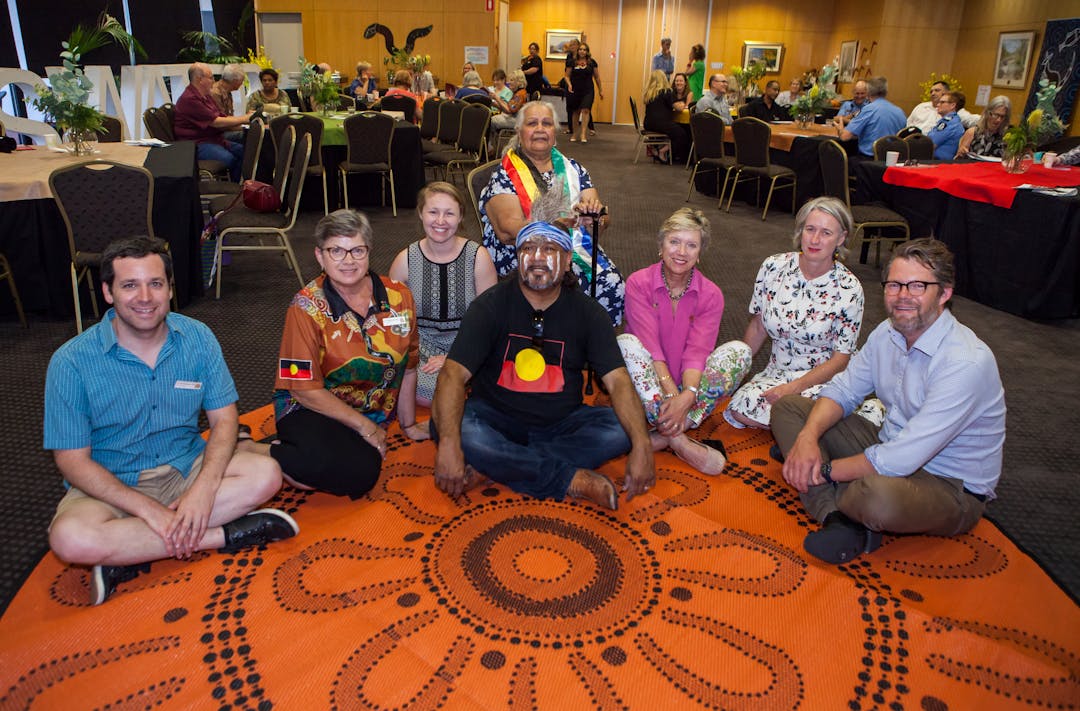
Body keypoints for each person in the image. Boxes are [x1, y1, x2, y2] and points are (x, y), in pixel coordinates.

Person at [44, 237, 297, 605]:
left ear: (169, 288)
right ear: (108, 292)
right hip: (112, 481)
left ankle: (126, 552)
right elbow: (71, 460)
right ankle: (225, 535)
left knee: (267, 475)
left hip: (185, 467)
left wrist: (204, 489)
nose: (145, 297)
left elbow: (226, 420)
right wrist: (150, 511)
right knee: (70, 539)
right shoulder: (71, 362)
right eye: (130, 285)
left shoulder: (197, 337)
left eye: (155, 283)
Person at [772, 238, 1006, 565]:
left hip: (948, 484)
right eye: (895, 285)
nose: (903, 296)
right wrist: (808, 438)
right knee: (789, 409)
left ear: (945, 293)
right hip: (887, 442)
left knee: (875, 497)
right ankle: (838, 518)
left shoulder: (965, 362)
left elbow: (900, 459)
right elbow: (843, 390)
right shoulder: (888, 332)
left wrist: (820, 469)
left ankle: (822, 488)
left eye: (917, 286)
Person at [430, 218, 655, 511]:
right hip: (495, 417)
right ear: (517, 258)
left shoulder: (589, 313)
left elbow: (619, 381)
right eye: (528, 248)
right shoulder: (490, 305)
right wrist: (449, 444)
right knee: (451, 425)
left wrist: (642, 444)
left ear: (566, 261)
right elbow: (452, 375)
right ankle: (569, 479)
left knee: (622, 429)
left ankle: (496, 465)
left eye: (549, 248)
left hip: (561, 422)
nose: (537, 258)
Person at [240, 210, 429, 499]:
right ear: (320, 256)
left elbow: (409, 365)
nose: (348, 260)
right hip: (310, 408)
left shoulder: (399, 296)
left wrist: (408, 424)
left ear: (369, 251)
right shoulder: (305, 308)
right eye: (336, 251)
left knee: (330, 471)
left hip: (369, 410)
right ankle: (251, 448)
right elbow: (303, 390)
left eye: (357, 250)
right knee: (360, 472)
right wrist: (364, 426)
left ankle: (291, 457)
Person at [724, 198, 882, 431]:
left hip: (825, 379)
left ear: (840, 238)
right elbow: (758, 327)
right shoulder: (773, 267)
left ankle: (821, 422)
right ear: (801, 231)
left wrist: (794, 388)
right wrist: (737, 371)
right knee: (739, 407)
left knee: (808, 410)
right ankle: (814, 429)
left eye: (826, 233)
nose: (815, 239)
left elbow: (841, 359)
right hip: (778, 372)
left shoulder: (850, 288)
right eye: (810, 229)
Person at [618, 208, 751, 475]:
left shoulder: (711, 294)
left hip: (688, 390)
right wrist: (670, 395)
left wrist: (686, 396)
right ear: (661, 245)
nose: (681, 252)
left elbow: (697, 352)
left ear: (700, 253)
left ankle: (663, 433)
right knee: (627, 343)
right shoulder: (638, 283)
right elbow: (650, 348)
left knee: (741, 352)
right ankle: (677, 438)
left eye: (691, 245)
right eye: (674, 241)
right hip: (651, 388)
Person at [478, 101, 625, 325]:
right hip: (523, 252)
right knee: (569, 285)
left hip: (573, 248)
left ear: (555, 134)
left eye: (546, 124)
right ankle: (559, 345)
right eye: (532, 123)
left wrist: (596, 218)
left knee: (611, 283)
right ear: (519, 132)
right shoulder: (504, 174)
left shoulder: (574, 169)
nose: (539, 129)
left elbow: (600, 217)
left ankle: (588, 347)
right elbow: (508, 229)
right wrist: (560, 225)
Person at [388, 182, 497, 408]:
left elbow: (490, 322)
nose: (440, 221)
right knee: (424, 390)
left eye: (449, 213)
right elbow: (395, 321)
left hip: (469, 343)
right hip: (423, 346)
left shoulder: (478, 257)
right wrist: (410, 357)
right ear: (420, 213)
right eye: (433, 212)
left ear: (460, 217)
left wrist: (456, 356)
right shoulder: (404, 260)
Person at [174, 62, 252, 182]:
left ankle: (239, 187)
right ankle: (232, 187)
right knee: (229, 159)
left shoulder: (205, 96)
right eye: (211, 77)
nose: (213, 80)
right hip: (195, 144)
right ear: (199, 79)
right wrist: (246, 119)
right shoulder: (190, 99)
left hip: (213, 139)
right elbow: (216, 122)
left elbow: (222, 117)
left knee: (245, 152)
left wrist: (246, 120)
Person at [836, 76, 906, 157]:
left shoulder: (868, 110)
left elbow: (845, 137)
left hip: (868, 162)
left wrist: (840, 129)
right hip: (892, 163)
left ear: (868, 93)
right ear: (886, 92)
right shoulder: (900, 112)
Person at [642, 70, 690, 164]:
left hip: (648, 123)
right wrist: (683, 103)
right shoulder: (666, 91)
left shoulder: (649, 93)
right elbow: (679, 108)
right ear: (664, 79)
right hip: (661, 123)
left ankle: (658, 149)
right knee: (682, 134)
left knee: (675, 130)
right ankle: (663, 151)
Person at [906, 79, 977, 134]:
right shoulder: (921, 107)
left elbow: (973, 120)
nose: (933, 93)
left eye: (937, 90)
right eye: (931, 91)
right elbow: (908, 124)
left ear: (947, 93)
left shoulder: (952, 111)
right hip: (913, 141)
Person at [567, 43, 602, 143]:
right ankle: (575, 133)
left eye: (584, 50)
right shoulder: (571, 62)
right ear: (577, 51)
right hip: (575, 90)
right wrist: (569, 84)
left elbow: (597, 77)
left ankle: (583, 134)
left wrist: (601, 90)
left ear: (587, 51)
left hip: (588, 90)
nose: (582, 51)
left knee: (586, 110)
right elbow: (567, 76)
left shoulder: (592, 62)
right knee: (576, 112)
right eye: (580, 49)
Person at [928, 91, 966, 159]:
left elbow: (930, 144)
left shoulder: (949, 123)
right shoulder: (952, 121)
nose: (938, 105)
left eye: (942, 102)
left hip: (937, 162)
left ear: (952, 105)